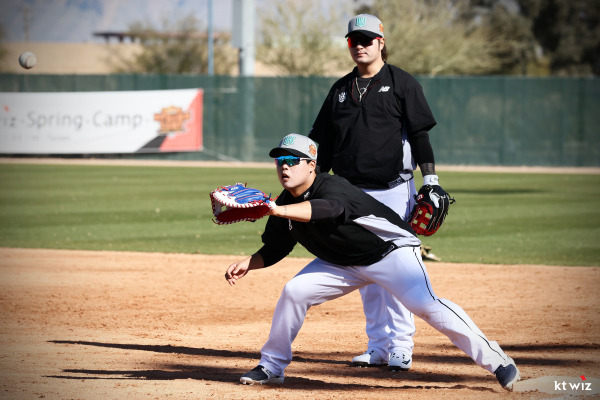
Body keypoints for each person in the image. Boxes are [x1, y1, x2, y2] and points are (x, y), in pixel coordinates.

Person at [225, 133, 521, 391]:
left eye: (293, 159)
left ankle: (498, 362)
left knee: (426, 305)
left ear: (312, 165)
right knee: (294, 291)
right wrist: (249, 262)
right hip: (341, 264)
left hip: (391, 252)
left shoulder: (332, 187)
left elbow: (327, 209)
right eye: (279, 161)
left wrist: (278, 211)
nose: (285, 166)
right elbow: (277, 246)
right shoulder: (284, 204)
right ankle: (271, 367)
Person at [308, 13, 446, 371]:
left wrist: (430, 181)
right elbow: (320, 143)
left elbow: (420, 136)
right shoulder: (339, 89)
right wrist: (312, 184)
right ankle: (379, 345)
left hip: (393, 192)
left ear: (381, 42)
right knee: (366, 270)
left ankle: (401, 345)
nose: (360, 46)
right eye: (354, 40)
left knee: (396, 270)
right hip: (349, 195)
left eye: (367, 40)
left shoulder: (402, 83)